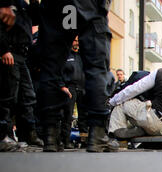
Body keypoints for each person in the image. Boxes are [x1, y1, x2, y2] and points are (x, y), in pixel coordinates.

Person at [37, 0, 118, 152]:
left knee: (51, 68)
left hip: (55, 6)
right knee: (96, 67)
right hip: (88, 5)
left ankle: (50, 136)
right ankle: (97, 133)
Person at [0, 0, 43, 151]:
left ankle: (28, 135)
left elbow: (37, 17)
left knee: (28, 96)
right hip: (9, 52)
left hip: (23, 55)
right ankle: (4, 136)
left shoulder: (23, 6)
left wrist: (34, 2)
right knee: (8, 96)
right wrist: (3, 49)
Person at [60, 36, 85, 149]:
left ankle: (85, 140)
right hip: (70, 87)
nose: (77, 43)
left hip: (82, 88)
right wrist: (63, 86)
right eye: (75, 40)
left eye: (78, 41)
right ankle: (65, 140)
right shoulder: (65, 55)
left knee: (84, 116)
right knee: (67, 115)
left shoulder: (82, 56)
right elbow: (59, 71)